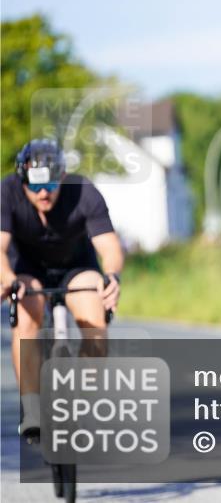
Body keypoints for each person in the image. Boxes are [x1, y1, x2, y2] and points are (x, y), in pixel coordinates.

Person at [0, 139, 123, 439]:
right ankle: (32, 409)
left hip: (76, 267)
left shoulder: (84, 192)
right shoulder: (6, 192)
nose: (44, 193)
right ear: (22, 179)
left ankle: (82, 403)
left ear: (62, 177)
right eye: (35, 186)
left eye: (51, 185)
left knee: (95, 317)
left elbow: (110, 247)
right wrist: (7, 279)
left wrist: (112, 277)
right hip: (27, 270)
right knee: (27, 316)